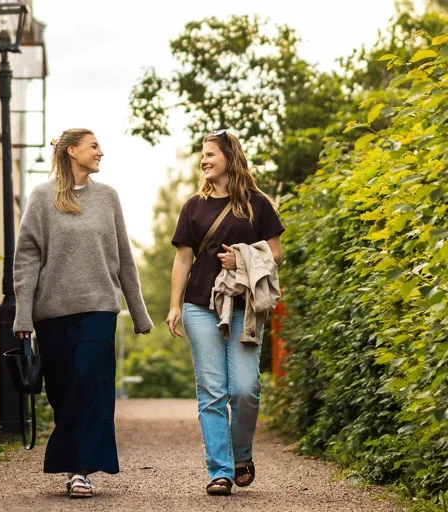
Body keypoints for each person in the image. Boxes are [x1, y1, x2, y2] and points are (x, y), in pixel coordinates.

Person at [13, 128, 153, 499]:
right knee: (63, 391)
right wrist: (23, 316)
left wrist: (138, 312)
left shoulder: (108, 197)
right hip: (52, 313)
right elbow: (26, 259)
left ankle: (81, 471)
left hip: (99, 308)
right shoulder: (42, 197)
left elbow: (124, 257)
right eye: (94, 146)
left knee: (91, 384)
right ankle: (74, 463)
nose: (101, 152)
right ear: (72, 152)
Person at [166, 129, 285, 496]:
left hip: (244, 307)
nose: (204, 160)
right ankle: (220, 470)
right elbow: (183, 258)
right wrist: (174, 305)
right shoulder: (193, 206)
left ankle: (241, 454)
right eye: (202, 155)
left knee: (246, 389)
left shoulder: (257, 204)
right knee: (212, 391)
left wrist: (242, 259)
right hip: (200, 305)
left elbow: (276, 253)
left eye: (210, 154)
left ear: (230, 158)